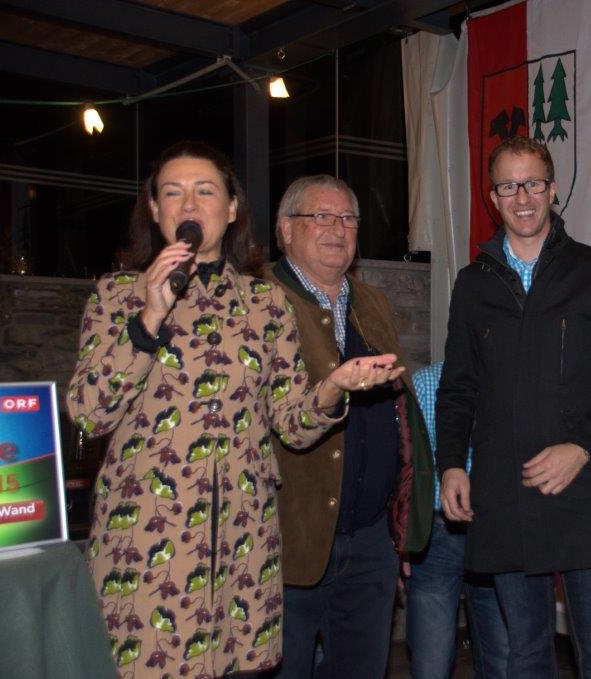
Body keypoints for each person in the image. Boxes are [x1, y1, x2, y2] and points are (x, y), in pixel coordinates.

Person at [67, 142, 402, 678]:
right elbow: (89, 412)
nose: (188, 204)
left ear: (230, 210)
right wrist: (148, 319)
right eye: (172, 193)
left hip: (244, 547)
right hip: (149, 546)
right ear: (154, 210)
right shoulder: (116, 295)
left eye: (205, 191)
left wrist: (333, 387)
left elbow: (291, 424)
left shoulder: (264, 303)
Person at [437, 135, 591, 678]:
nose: (523, 198)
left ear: (553, 189)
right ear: (493, 198)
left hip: (587, 488)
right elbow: (458, 386)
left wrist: (582, 447)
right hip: (505, 491)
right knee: (526, 656)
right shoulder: (472, 284)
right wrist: (451, 465)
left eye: (533, 183)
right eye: (509, 186)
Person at [266, 174, 434, 679]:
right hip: (285, 544)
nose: (337, 228)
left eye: (347, 218)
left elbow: (399, 417)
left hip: (369, 544)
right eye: (321, 216)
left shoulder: (372, 303)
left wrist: (400, 528)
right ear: (285, 229)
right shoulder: (258, 303)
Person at [406, 360, 508, 678]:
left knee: (497, 655)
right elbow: (409, 465)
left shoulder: (427, 380)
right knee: (436, 658)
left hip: (490, 532)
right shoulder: (427, 381)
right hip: (441, 533)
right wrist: (404, 537)